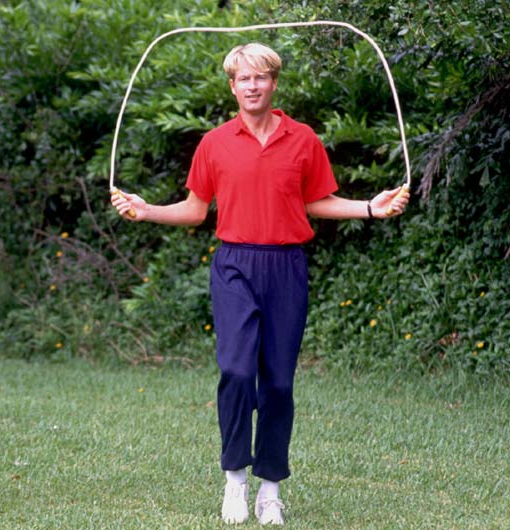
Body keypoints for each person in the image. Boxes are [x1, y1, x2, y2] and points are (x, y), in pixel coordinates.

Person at [111, 43, 408, 526]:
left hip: (286, 266)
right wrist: (146, 211)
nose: (252, 86)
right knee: (234, 370)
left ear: (273, 84)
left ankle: (270, 491)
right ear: (232, 87)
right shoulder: (214, 143)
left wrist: (371, 207)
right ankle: (234, 482)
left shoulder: (303, 139)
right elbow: (194, 210)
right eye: (243, 79)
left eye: (261, 77)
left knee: (278, 382)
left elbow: (319, 201)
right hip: (234, 266)